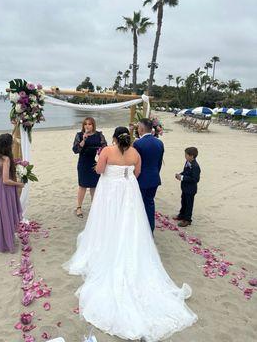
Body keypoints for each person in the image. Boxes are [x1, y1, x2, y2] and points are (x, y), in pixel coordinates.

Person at [63, 126, 197, 341]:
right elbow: (137, 173)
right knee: (129, 222)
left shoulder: (107, 150)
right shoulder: (135, 152)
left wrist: (104, 165)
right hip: (128, 191)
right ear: (128, 137)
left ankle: (108, 244)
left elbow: (98, 171)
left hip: (110, 190)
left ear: (115, 138)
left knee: (108, 220)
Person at [0, 133, 24, 253]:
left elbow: (0, 177)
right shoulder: (6, 159)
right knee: (7, 213)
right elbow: (6, 180)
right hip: (5, 188)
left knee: (4, 213)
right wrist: (19, 184)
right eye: (11, 142)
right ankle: (6, 242)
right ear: (7, 145)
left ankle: (5, 238)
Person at [133, 118, 164, 232]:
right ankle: (150, 229)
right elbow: (159, 163)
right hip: (154, 178)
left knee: (138, 205)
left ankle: (139, 231)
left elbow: (135, 164)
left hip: (141, 179)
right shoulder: (159, 143)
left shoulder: (138, 143)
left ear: (141, 129)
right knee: (150, 204)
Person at [72, 117, 107, 218]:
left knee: (93, 186)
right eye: (85, 124)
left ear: (93, 125)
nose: (87, 126)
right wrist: (83, 140)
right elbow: (75, 150)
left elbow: (105, 148)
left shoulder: (99, 135)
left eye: (90, 124)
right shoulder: (79, 135)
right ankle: (79, 207)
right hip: (83, 163)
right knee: (82, 186)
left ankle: (94, 206)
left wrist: (101, 157)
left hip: (94, 163)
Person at [173, 147, 201, 227]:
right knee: (183, 201)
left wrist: (182, 178)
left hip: (191, 189)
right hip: (185, 187)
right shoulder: (187, 162)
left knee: (189, 204)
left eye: (186, 155)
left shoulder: (195, 166)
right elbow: (185, 171)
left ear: (192, 156)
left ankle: (187, 219)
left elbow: (195, 179)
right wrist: (180, 174)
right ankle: (181, 215)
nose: (185, 156)